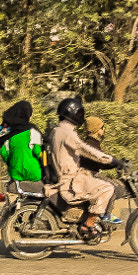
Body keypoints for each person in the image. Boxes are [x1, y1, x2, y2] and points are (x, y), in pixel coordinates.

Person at [48, 97, 117, 240]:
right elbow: (89, 153)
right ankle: (93, 222)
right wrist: (113, 161)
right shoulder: (72, 135)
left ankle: (96, 217)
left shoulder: (57, 131)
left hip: (70, 175)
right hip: (75, 178)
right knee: (110, 188)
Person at [0, 101, 45, 183]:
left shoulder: (5, 128)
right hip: (32, 171)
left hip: (14, 171)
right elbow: (38, 151)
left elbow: (2, 148)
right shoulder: (32, 129)